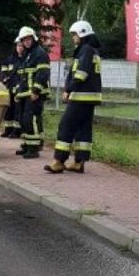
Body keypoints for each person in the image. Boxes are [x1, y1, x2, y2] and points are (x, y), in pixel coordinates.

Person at [46, 21, 103, 174]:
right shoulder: (92, 50)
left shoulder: (85, 50)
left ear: (82, 34)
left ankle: (59, 161)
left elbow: (81, 74)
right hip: (90, 98)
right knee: (83, 129)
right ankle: (79, 162)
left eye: (75, 35)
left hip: (80, 97)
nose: (73, 38)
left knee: (66, 126)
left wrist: (68, 90)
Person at [15, 27, 50, 159]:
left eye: (29, 39)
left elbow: (43, 73)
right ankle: (27, 145)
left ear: (33, 39)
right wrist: (19, 93)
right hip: (25, 93)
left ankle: (34, 148)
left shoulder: (39, 53)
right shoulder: (27, 54)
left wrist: (36, 90)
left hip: (34, 93)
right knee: (24, 120)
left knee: (31, 119)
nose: (27, 42)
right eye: (24, 40)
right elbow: (22, 76)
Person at [0, 41, 25, 139]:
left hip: (19, 89)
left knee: (17, 110)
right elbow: (4, 72)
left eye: (22, 46)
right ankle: (8, 129)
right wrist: (5, 79)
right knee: (8, 110)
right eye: (18, 46)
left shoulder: (25, 59)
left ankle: (16, 131)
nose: (20, 48)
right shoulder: (10, 59)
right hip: (9, 88)